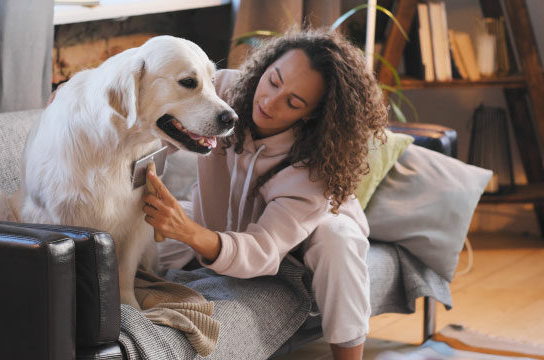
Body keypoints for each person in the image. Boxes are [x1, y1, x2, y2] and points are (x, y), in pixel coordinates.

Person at [141, 28, 389, 360]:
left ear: (311, 113)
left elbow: (262, 250)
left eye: (293, 102)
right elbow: (153, 129)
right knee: (140, 232)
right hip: (227, 228)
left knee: (338, 238)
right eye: (273, 81)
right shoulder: (221, 91)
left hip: (300, 239)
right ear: (265, 66)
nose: (269, 102)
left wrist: (189, 232)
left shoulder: (314, 173)